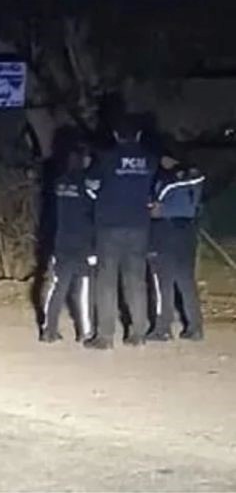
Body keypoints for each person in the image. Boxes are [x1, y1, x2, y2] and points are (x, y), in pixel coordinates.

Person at [84, 117, 158, 349]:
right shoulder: (150, 159)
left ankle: (105, 336)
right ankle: (139, 333)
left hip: (110, 226)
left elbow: (91, 184)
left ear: (116, 135)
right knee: (136, 280)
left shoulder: (106, 158)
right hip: (139, 226)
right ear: (138, 136)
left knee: (106, 280)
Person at [40, 144, 96, 343]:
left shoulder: (60, 184)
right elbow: (94, 211)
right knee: (82, 290)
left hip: (61, 242)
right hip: (83, 244)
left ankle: (49, 329)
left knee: (57, 287)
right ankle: (86, 331)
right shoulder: (87, 185)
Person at [147, 162, 205, 341]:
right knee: (186, 282)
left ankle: (162, 328)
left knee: (162, 283)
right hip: (187, 233)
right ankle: (195, 327)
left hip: (166, 233)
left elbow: (155, 211)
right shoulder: (195, 181)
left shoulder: (167, 183)